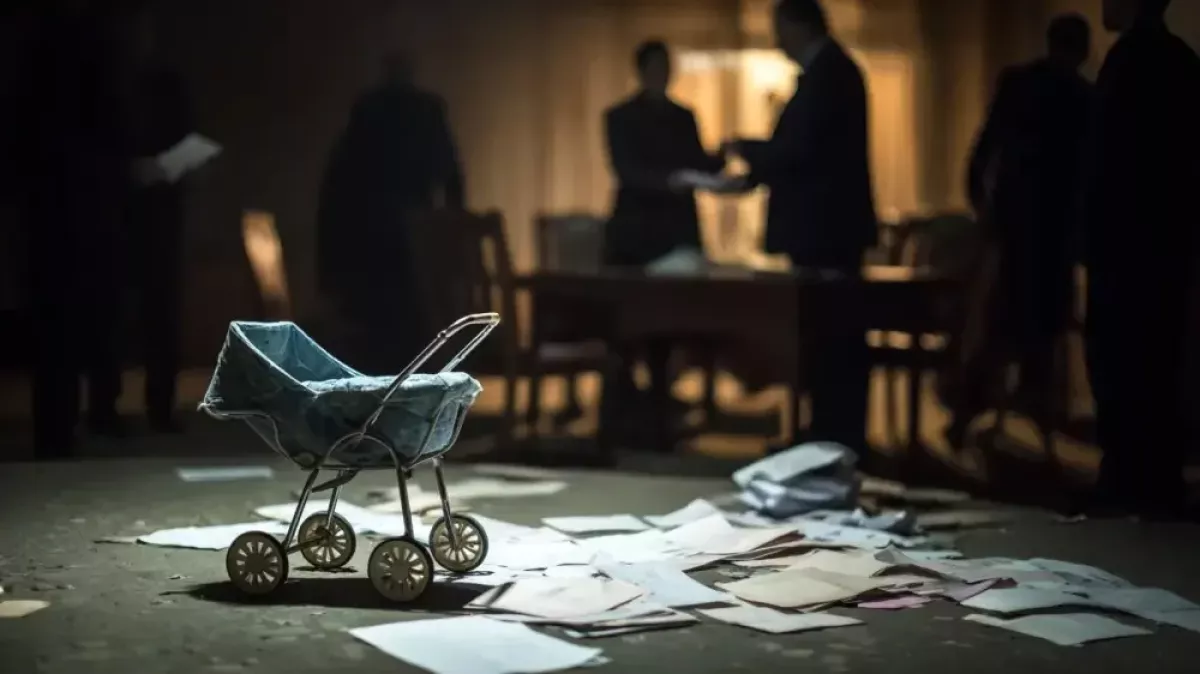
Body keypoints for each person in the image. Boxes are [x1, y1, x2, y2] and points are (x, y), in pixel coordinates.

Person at [724, 0, 876, 455]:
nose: (777, 40)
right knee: (824, 334)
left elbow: (802, 150)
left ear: (799, 25)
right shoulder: (830, 72)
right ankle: (827, 431)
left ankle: (835, 435)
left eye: (780, 29)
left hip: (827, 230)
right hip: (824, 230)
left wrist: (748, 151)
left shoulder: (830, 75)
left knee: (833, 336)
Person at [947, 14, 1094, 445]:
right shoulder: (1084, 97)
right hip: (1052, 235)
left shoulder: (1020, 84)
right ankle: (1036, 416)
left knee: (995, 326)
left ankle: (970, 413)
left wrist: (981, 204)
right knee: (1039, 332)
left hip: (1014, 227)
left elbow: (985, 149)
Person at [1080, 0, 1200, 518]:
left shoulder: (1128, 61)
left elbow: (1104, 161)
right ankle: (1155, 477)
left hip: (1125, 243)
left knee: (1121, 361)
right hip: (1167, 243)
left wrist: (1088, 236)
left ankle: (1128, 477)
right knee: (1159, 358)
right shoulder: (1181, 59)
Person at [17, 1, 133, 458]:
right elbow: (115, 131)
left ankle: (56, 428)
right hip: (88, 209)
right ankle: (96, 412)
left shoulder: (36, 67)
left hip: (49, 212)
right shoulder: (96, 64)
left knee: (55, 326)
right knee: (94, 317)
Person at [600, 39, 726, 448]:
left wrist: (725, 157)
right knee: (625, 330)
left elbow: (699, 162)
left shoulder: (682, 117)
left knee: (667, 330)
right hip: (636, 234)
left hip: (673, 234)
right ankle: (623, 419)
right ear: (642, 70)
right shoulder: (620, 117)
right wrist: (672, 180)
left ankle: (658, 416)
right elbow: (628, 171)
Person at [316, 51, 464, 370]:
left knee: (386, 335)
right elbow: (452, 178)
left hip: (369, 250)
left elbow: (335, 188)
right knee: (409, 329)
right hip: (403, 249)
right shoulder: (424, 111)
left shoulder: (368, 114)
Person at [123, 2, 192, 433]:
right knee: (115, 313)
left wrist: (162, 168)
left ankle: (161, 406)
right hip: (115, 213)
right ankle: (106, 406)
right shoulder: (105, 85)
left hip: (159, 212)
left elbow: (192, 140)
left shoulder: (167, 86)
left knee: (161, 312)